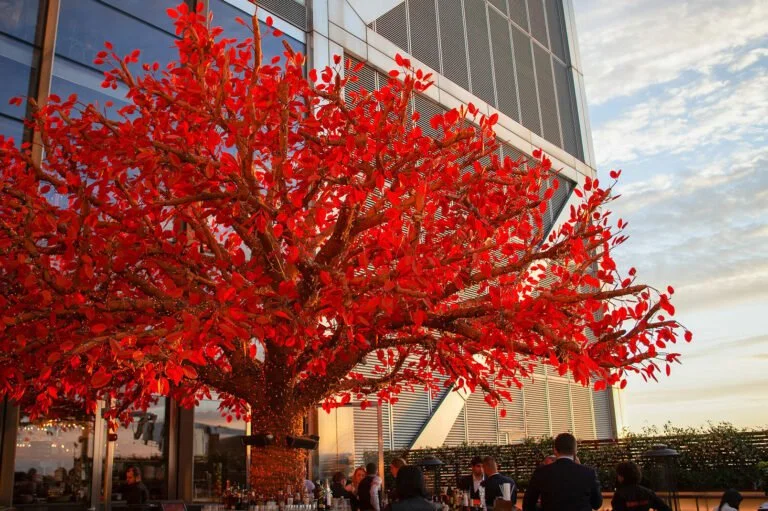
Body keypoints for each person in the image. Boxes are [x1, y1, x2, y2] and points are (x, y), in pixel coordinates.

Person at [522, 433, 602, 511]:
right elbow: (597, 504)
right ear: (575, 451)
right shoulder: (589, 473)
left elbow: (527, 505)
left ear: (555, 450)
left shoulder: (541, 473)